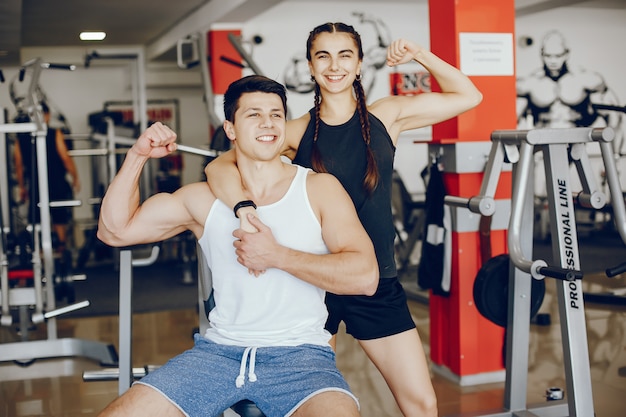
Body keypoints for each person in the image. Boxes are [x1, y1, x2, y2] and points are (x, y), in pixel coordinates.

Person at [205, 22, 482, 417]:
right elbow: (218, 167)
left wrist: (419, 54)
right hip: (314, 283)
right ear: (310, 67)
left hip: (377, 282)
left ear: (358, 65)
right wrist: (243, 207)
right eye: (323, 56)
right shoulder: (296, 130)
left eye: (344, 55)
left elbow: (468, 95)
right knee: (309, 406)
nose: (334, 65)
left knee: (421, 402)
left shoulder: (387, 115)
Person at [96, 75, 379, 417]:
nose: (268, 123)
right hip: (217, 353)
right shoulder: (203, 199)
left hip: (301, 358)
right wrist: (138, 156)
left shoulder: (319, 189)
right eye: (254, 115)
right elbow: (114, 231)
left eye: (276, 114)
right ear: (230, 129)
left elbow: (365, 276)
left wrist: (277, 255)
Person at [516, 30, 622, 132]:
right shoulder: (528, 84)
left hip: (576, 142)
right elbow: (510, 121)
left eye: (558, 56)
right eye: (548, 56)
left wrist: (613, 150)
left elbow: (614, 119)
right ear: (542, 55)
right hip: (542, 142)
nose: (553, 61)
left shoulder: (588, 81)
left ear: (566, 54)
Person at [13, 101, 81, 255]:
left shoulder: (21, 137)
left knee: (39, 214)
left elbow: (18, 165)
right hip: (55, 180)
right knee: (58, 213)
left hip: (36, 182)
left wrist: (22, 186)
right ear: (47, 115)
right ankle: (60, 248)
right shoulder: (54, 133)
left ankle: (41, 251)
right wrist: (75, 177)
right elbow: (65, 157)